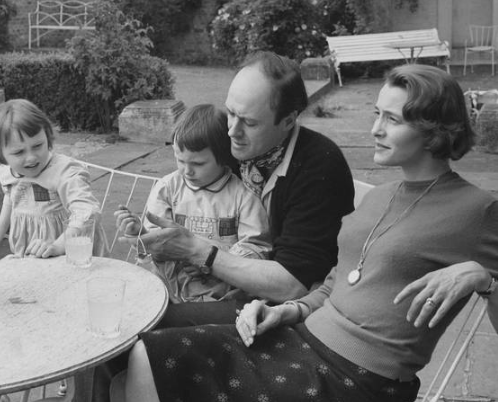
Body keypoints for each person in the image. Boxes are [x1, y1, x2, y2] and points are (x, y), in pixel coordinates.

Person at [118, 64, 498, 402]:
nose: (375, 129)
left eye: (392, 120)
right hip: (302, 339)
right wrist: (287, 311)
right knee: (143, 354)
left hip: (359, 379)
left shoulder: (476, 209)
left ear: (434, 132)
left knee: (156, 358)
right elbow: (336, 284)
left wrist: (486, 282)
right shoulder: (380, 197)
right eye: (376, 113)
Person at [117, 51, 355, 326]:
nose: (231, 131)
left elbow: (291, 284)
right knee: (126, 311)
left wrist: (198, 253)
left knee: (145, 325)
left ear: (288, 121)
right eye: (231, 113)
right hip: (209, 287)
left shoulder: (319, 167)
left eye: (249, 122)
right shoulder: (229, 144)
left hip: (277, 312)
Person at [117, 104, 271, 303]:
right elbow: (157, 243)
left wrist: (210, 259)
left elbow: (256, 250)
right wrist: (141, 234)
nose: (186, 171)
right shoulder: (167, 188)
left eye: (197, 164)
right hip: (169, 291)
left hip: (222, 294)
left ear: (223, 157)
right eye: (180, 160)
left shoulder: (242, 196)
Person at [0, 98, 106, 259]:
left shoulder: (64, 171)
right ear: (1, 154)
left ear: (47, 137)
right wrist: (0, 228)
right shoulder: (7, 169)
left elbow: (87, 212)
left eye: (37, 146)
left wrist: (58, 246)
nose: (31, 158)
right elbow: (11, 195)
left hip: (71, 250)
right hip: (33, 251)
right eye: (19, 152)